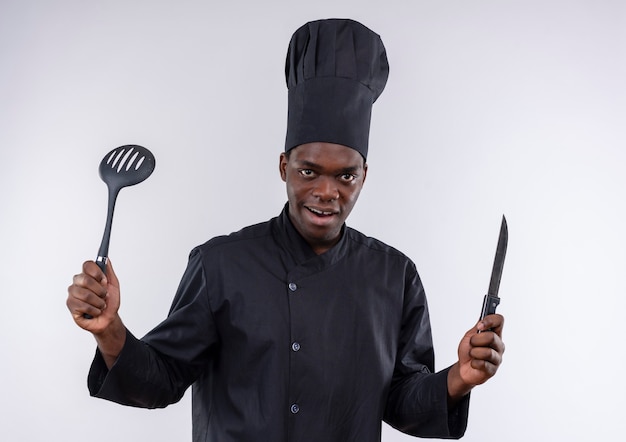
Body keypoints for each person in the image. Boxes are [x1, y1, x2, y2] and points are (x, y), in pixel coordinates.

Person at [67, 18, 505, 442]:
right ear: (284, 167)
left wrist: (458, 378)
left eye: (345, 177)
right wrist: (109, 328)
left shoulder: (395, 276)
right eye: (309, 171)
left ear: (364, 175)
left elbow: (403, 401)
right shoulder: (220, 264)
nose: (326, 192)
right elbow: (161, 380)